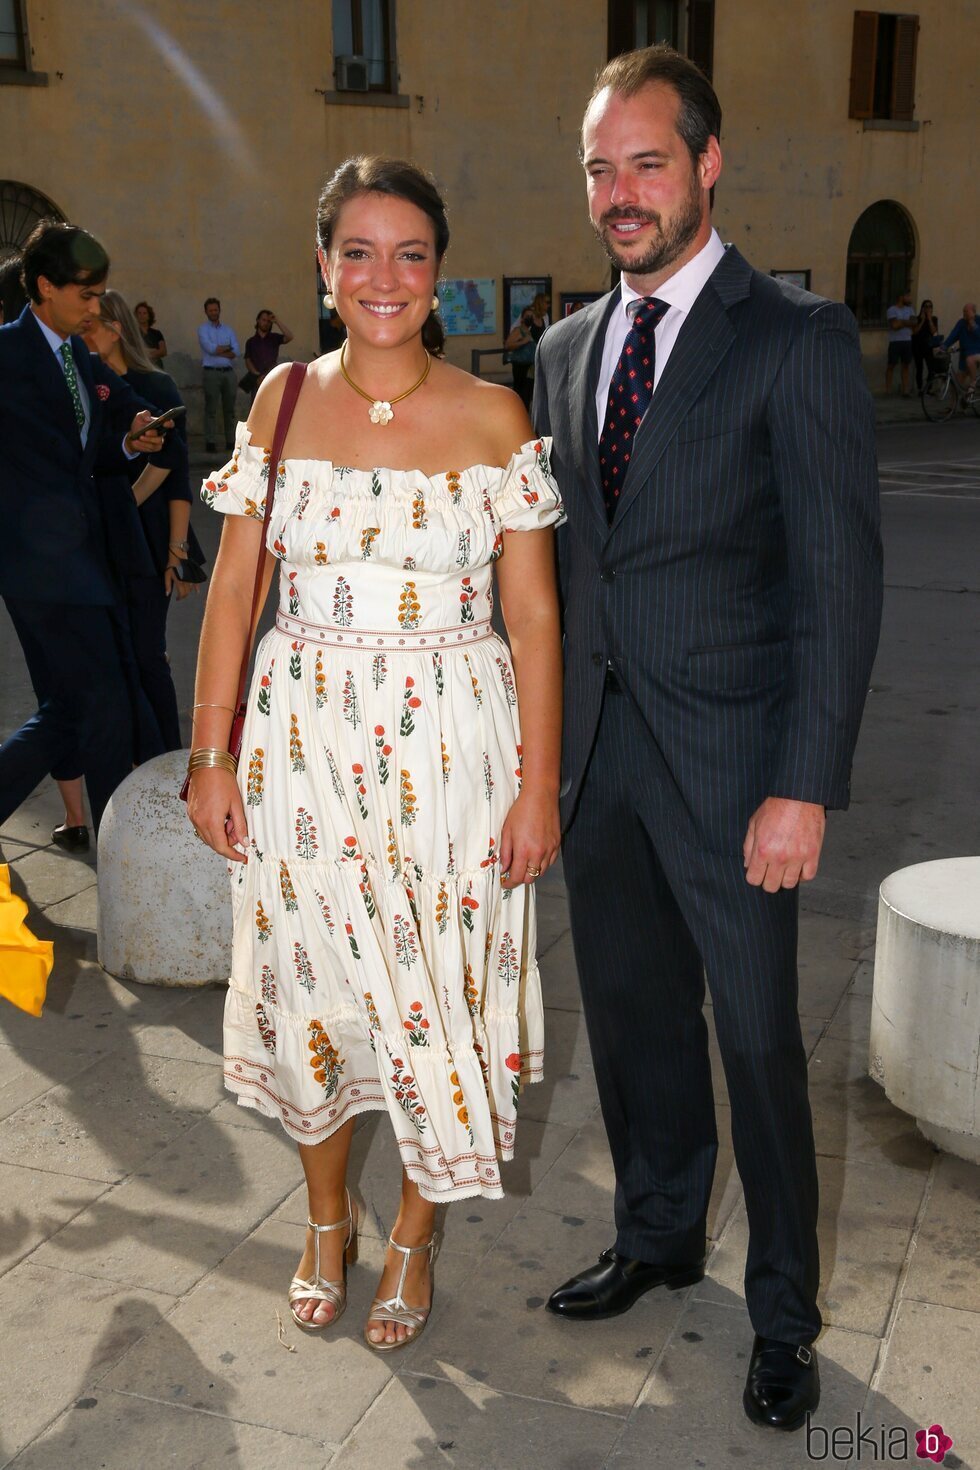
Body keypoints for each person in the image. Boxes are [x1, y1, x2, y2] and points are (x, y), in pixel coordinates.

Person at [533, 45, 882, 1433]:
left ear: (708, 163)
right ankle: (661, 1230)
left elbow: (841, 585)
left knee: (754, 1042)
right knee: (630, 1024)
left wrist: (803, 783)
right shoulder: (564, 349)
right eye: (602, 169)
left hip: (741, 773)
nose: (623, 194)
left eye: (649, 163)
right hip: (601, 763)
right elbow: (564, 571)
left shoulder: (795, 338)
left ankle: (784, 1310)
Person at [188, 155, 563, 1352]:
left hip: (454, 756)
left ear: (437, 270)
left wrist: (537, 786)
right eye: (358, 251)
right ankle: (321, 1223)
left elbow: (536, 618)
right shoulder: (280, 400)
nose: (383, 276)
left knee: (431, 997)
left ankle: (412, 1231)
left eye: (408, 252)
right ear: (323, 267)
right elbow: (236, 586)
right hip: (300, 748)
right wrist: (209, 755)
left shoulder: (493, 414)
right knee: (311, 989)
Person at [0, 221, 169, 838]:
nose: (96, 308)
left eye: (101, 295)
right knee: (92, 704)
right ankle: (125, 842)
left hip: (85, 558)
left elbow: (101, 438)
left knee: (88, 708)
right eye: (85, 295)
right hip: (35, 566)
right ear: (45, 286)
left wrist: (133, 436)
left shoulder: (77, 354)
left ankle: (118, 846)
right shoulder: (7, 352)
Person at [84, 289, 203, 752]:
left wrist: (178, 551)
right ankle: (135, 753)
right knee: (116, 656)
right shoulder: (86, 389)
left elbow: (176, 474)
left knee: (148, 654)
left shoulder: (155, 387)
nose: (82, 333)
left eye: (92, 325)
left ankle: (167, 761)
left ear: (116, 330)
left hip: (147, 538)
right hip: (96, 539)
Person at [197, 296, 240, 452]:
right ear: (206, 312)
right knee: (211, 409)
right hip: (211, 374)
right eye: (211, 310)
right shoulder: (202, 329)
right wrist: (226, 349)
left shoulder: (228, 330)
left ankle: (231, 442)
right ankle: (210, 442)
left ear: (219, 310)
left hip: (228, 373)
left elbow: (237, 352)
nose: (214, 312)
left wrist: (219, 350)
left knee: (229, 410)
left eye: (216, 310)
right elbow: (210, 349)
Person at [243, 309, 294, 403]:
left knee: (273, 406)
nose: (266, 323)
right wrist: (257, 375)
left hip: (272, 377)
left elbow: (289, 336)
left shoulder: (274, 338)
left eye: (268, 321)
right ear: (258, 320)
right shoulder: (251, 342)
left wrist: (277, 321)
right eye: (263, 320)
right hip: (257, 380)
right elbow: (248, 360)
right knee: (256, 408)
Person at [503, 306, 537, 407]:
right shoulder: (518, 331)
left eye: (531, 316)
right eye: (527, 316)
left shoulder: (529, 331)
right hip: (520, 366)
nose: (529, 318)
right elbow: (508, 345)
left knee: (527, 394)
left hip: (529, 367)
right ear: (522, 318)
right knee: (521, 394)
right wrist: (523, 341)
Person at [943, 302, 980, 391]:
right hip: (964, 356)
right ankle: (954, 404)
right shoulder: (961, 323)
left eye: (967, 311)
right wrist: (943, 346)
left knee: (970, 359)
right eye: (964, 311)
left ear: (973, 312)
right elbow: (953, 335)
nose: (964, 313)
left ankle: (974, 382)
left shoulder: (978, 320)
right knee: (956, 384)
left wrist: (972, 323)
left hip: (977, 354)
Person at [885, 289, 914, 396]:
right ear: (901, 297)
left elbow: (914, 322)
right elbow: (894, 326)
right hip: (895, 341)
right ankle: (888, 389)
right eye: (908, 296)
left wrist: (901, 321)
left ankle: (905, 390)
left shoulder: (910, 309)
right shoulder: (892, 310)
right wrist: (907, 322)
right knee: (891, 365)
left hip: (907, 341)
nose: (910, 298)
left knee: (906, 365)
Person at [911, 299, 940, 392]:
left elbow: (934, 331)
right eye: (926, 306)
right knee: (919, 369)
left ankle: (928, 389)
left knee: (931, 369)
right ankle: (920, 389)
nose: (928, 308)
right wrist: (923, 320)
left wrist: (929, 319)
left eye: (930, 306)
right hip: (917, 346)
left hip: (928, 347)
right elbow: (914, 332)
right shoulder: (917, 318)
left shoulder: (934, 319)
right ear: (922, 308)